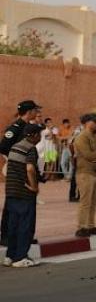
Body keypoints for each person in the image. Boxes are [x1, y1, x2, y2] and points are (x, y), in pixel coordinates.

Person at [0, 100, 42, 248]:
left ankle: (24, 235)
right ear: (29, 111)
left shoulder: (28, 127)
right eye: (35, 110)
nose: (37, 113)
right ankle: (5, 236)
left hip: (27, 167)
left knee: (26, 204)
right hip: (17, 170)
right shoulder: (16, 127)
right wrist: (15, 158)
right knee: (12, 203)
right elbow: (3, 146)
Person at [4, 124, 43, 268]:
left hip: (11, 191)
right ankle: (21, 257)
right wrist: (34, 186)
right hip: (24, 192)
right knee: (25, 225)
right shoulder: (30, 148)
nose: (40, 138)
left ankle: (10, 256)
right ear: (33, 135)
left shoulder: (15, 146)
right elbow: (30, 168)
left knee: (13, 225)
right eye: (39, 135)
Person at [72, 113, 96, 237]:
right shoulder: (81, 137)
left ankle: (90, 225)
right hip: (85, 173)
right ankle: (82, 227)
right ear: (86, 123)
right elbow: (87, 154)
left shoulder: (95, 136)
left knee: (94, 201)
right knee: (85, 202)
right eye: (94, 121)